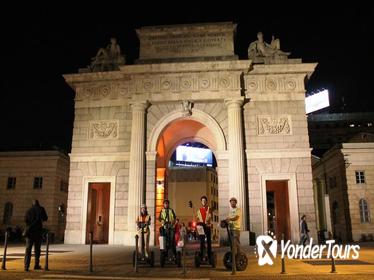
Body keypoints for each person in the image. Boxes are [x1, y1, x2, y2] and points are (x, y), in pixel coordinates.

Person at [24, 200, 48, 271]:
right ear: (38, 204)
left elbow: (25, 220)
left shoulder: (28, 210)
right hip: (37, 232)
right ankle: (36, 265)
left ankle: (26, 266)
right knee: (37, 250)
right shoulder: (41, 209)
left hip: (30, 233)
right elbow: (45, 218)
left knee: (28, 249)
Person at [196, 195, 212, 261]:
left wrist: (207, 222)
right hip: (201, 227)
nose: (204, 202)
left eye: (205, 201)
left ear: (206, 202)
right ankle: (202, 254)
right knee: (202, 242)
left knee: (208, 241)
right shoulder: (199, 210)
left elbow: (210, 216)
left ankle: (209, 255)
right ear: (201, 202)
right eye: (202, 201)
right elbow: (197, 218)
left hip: (207, 227)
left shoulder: (209, 209)